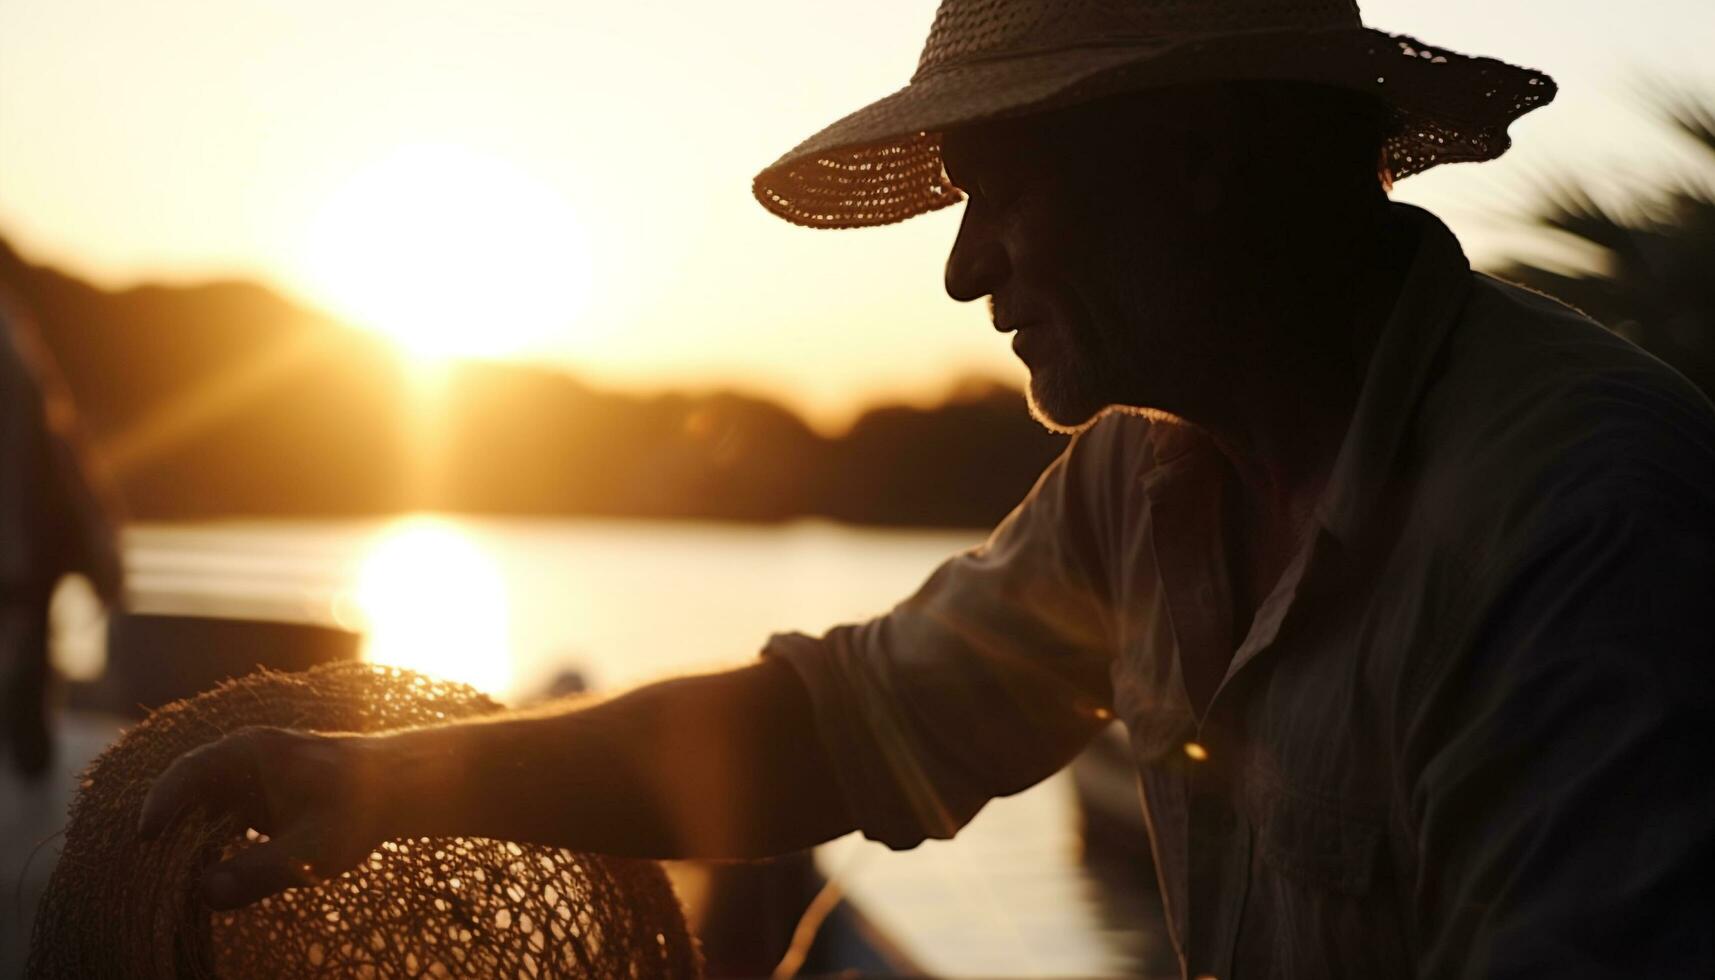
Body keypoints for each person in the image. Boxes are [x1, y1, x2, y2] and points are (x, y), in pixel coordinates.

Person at [140, 0, 1715, 975]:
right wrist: (383, 784)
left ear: (1198, 159)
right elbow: (836, 728)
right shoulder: (1138, 481)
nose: (962, 270)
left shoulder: (1580, 524)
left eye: (1000, 191)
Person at [0, 293, 125, 778]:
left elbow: (57, 457)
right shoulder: (17, 351)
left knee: (25, 687)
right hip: (22, 564)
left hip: (20, 567)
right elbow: (62, 457)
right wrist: (100, 554)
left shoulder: (14, 350)